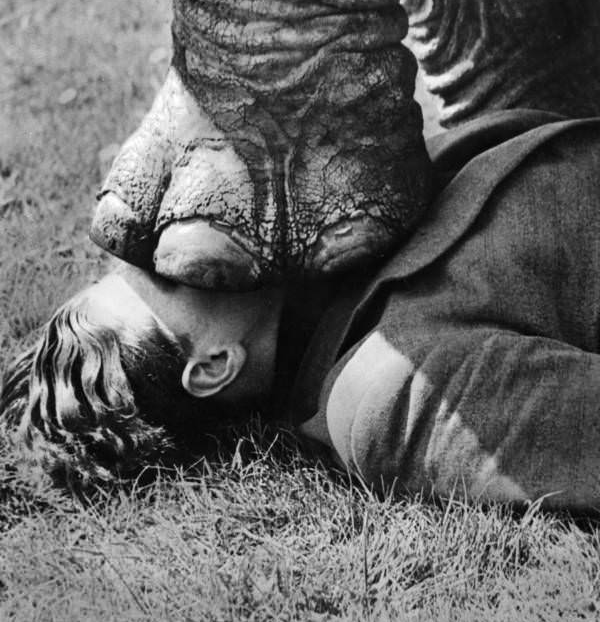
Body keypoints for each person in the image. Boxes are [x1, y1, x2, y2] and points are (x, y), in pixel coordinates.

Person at [4, 109, 600, 510]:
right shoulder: (381, 397)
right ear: (213, 366)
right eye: (163, 278)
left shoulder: (343, 229)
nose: (163, 238)